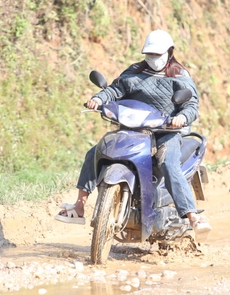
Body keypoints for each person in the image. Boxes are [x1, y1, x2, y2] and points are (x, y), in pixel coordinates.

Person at [55, 30, 212, 237]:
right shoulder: (135, 72)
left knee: (168, 164)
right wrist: (99, 99)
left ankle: (193, 217)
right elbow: (114, 90)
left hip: (165, 133)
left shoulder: (179, 76)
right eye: (149, 55)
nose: (153, 59)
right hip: (133, 130)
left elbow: (191, 105)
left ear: (169, 52)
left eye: (157, 55)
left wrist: (182, 117)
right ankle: (79, 206)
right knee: (95, 152)